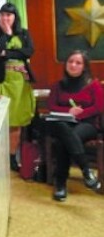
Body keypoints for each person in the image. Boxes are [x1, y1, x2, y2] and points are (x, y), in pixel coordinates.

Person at [0, 2, 36, 171]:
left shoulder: (24, 34)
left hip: (20, 83)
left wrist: (8, 53)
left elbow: (29, 52)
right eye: (3, 15)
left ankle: (12, 157)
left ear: (15, 17)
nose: (5, 18)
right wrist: (6, 35)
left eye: (9, 15)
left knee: (16, 122)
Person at [46, 50, 103, 201]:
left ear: (84, 67)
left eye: (78, 63)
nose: (73, 65)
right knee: (63, 131)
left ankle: (60, 183)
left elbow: (99, 107)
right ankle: (86, 171)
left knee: (64, 140)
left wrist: (80, 114)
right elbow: (51, 106)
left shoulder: (93, 84)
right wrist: (69, 111)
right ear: (66, 65)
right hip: (63, 123)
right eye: (70, 61)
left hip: (87, 124)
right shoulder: (57, 86)